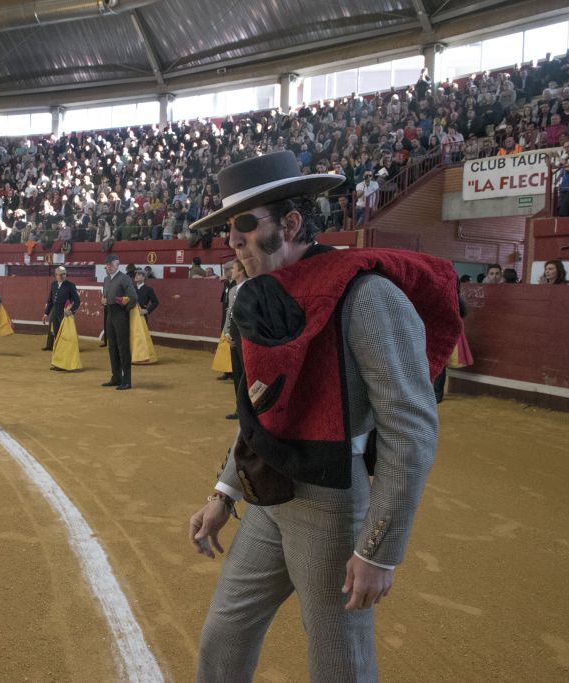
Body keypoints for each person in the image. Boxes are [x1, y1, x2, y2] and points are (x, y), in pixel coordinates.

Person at [185, 151, 461, 682]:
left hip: (331, 503)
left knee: (338, 659)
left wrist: (378, 551)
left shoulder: (367, 295)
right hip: (269, 492)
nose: (233, 240)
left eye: (245, 225)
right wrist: (224, 493)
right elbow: (260, 413)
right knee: (224, 633)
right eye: (228, 229)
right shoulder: (255, 295)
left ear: (290, 224)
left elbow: (411, 429)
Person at [101, 253, 138, 390]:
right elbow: (105, 296)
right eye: (108, 265)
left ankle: (127, 380)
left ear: (118, 264)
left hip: (120, 314)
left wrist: (124, 310)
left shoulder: (124, 278)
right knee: (112, 346)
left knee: (123, 347)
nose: (109, 266)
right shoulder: (106, 279)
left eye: (112, 264)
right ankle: (116, 377)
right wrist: (103, 300)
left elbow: (133, 298)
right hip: (109, 313)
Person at [222, 259, 248, 420]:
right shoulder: (232, 290)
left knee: (247, 372)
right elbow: (229, 312)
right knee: (238, 372)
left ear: (241, 270)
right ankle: (240, 408)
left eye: (233, 268)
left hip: (245, 334)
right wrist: (226, 332)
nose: (231, 271)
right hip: (233, 333)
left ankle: (251, 409)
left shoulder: (250, 287)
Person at [42, 266, 81, 351]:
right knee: (53, 328)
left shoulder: (70, 285)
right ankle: (53, 346)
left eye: (63, 274)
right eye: (59, 274)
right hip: (55, 309)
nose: (61, 276)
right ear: (55, 275)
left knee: (65, 330)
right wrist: (46, 313)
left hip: (64, 311)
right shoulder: (54, 284)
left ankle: (68, 348)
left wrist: (71, 311)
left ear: (66, 275)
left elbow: (77, 301)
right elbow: (50, 301)